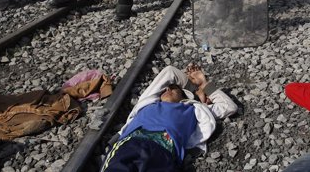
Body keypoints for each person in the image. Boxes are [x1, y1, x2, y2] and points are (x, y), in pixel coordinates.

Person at [100, 64, 238, 172]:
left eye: (172, 88)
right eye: (166, 89)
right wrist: (195, 89)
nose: (166, 90)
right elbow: (170, 71)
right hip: (132, 142)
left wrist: (204, 83)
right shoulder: (149, 102)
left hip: (164, 152)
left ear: (185, 96)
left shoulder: (194, 110)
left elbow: (229, 106)